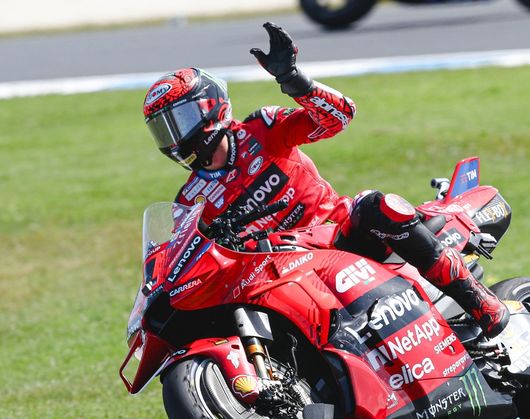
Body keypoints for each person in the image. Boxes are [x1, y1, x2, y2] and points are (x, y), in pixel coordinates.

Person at [142, 22, 509, 338]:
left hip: (341, 234)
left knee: (378, 205)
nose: (173, 137)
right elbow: (184, 262)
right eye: (163, 129)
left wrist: (293, 80)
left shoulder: (261, 129)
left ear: (210, 107)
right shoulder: (191, 200)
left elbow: (339, 118)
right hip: (279, 274)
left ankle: (479, 301)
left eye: (179, 120)